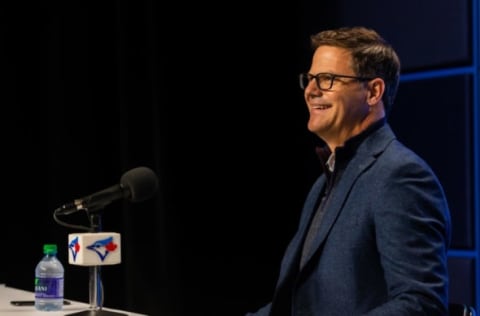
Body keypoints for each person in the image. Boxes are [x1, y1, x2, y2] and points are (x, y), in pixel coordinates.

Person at [245, 26, 451, 315]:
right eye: (310, 79)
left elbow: (421, 304)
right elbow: (293, 307)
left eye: (327, 79)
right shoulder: (325, 182)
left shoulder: (401, 176)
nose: (311, 90)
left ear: (373, 91)